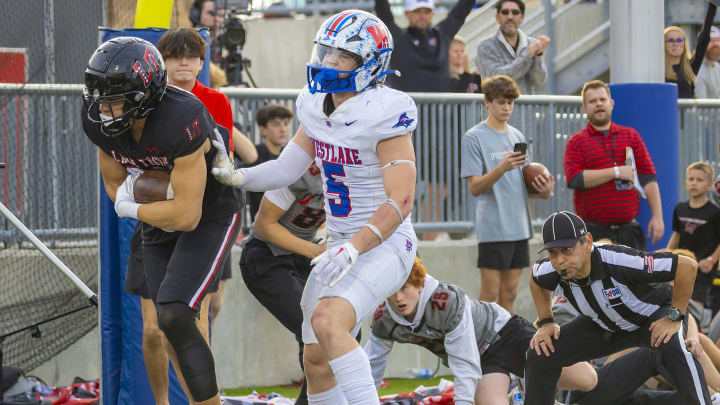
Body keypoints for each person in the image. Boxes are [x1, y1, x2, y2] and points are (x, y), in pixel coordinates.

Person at [211, 10, 419, 404]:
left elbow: (402, 200)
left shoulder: (386, 111)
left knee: (327, 321)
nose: (327, 62)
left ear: (368, 64)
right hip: (338, 244)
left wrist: (354, 246)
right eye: (325, 52)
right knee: (316, 358)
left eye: (340, 55)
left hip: (383, 243)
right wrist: (238, 176)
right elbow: (286, 168)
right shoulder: (314, 104)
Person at [82, 37, 241, 405]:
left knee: (175, 313)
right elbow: (114, 183)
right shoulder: (97, 117)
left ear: (146, 94)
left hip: (210, 210)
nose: (104, 108)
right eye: (99, 97)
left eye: (115, 98)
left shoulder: (182, 116)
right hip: (161, 216)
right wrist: (137, 200)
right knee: (162, 329)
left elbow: (187, 216)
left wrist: (133, 207)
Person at [524, 210, 711, 405]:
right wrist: (546, 321)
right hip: (604, 325)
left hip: (651, 317)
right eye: (553, 252)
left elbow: (687, 266)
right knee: (541, 351)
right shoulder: (551, 270)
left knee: (673, 344)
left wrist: (674, 318)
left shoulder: (620, 260)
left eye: (567, 249)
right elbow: (535, 278)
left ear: (587, 242)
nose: (559, 260)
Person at [364, 257, 598, 405]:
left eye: (404, 288)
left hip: (506, 334)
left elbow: (464, 364)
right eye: (392, 290)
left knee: (587, 379)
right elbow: (370, 369)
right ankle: (519, 393)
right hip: (483, 360)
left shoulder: (446, 302)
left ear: (419, 283)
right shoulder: (384, 319)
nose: (399, 298)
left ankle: (555, 316)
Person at [461, 75, 554, 313]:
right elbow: (474, 187)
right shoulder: (474, 137)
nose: (506, 107)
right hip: (493, 227)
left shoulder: (517, 136)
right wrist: (501, 167)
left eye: (510, 102)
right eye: (501, 102)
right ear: (487, 103)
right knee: (489, 295)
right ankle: (481, 345)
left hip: (519, 226)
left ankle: (504, 345)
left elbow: (523, 184)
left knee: (510, 293)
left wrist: (544, 191)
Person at [239, 162, 326, 405]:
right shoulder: (300, 170)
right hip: (266, 257)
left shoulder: (355, 173)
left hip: (300, 256)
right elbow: (263, 225)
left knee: (344, 328)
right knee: (315, 328)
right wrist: (315, 250)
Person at [564, 80, 663, 250]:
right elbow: (575, 179)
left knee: (633, 277)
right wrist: (615, 172)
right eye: (592, 101)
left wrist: (658, 216)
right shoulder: (576, 141)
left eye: (602, 99)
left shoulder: (631, 136)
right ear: (584, 108)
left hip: (628, 231)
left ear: (612, 104)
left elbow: (648, 178)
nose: (598, 104)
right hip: (592, 232)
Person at [374, 0, 475, 92]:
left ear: (432, 14)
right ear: (407, 14)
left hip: (442, 109)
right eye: (417, 11)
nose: (422, 16)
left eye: (427, 11)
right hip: (408, 109)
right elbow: (383, 11)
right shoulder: (397, 37)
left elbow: (461, 11)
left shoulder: (442, 34)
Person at [666, 161, 720, 310]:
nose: (694, 183)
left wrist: (711, 260)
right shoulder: (680, 208)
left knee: (695, 309)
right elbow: (677, 234)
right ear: (686, 182)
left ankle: (697, 333)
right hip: (681, 265)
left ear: (710, 185)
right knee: (674, 305)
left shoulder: (715, 212)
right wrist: (666, 253)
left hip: (702, 270)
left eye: (699, 180)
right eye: (691, 179)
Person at [475, 0, 549, 95]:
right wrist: (528, 55)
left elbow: (540, 83)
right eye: (505, 12)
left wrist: (537, 56)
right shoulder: (485, 47)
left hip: (528, 108)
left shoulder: (533, 43)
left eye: (515, 12)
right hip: (496, 109)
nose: (510, 17)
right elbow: (498, 80)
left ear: (522, 18)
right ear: (497, 17)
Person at [244, 104, 294, 222]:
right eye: (276, 124)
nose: (283, 129)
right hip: (262, 222)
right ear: (263, 129)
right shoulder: (254, 156)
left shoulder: (290, 155)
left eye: (286, 123)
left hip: (290, 223)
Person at [664, 3, 717, 98]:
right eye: (671, 40)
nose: (675, 43)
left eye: (679, 40)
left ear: (684, 44)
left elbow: (703, 41)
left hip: (685, 113)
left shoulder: (689, 68)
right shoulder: (658, 69)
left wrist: (712, 5)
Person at [696, 26, 720, 99]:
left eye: (717, 40)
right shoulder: (698, 70)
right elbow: (702, 107)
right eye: (710, 41)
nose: (715, 44)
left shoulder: (717, 66)